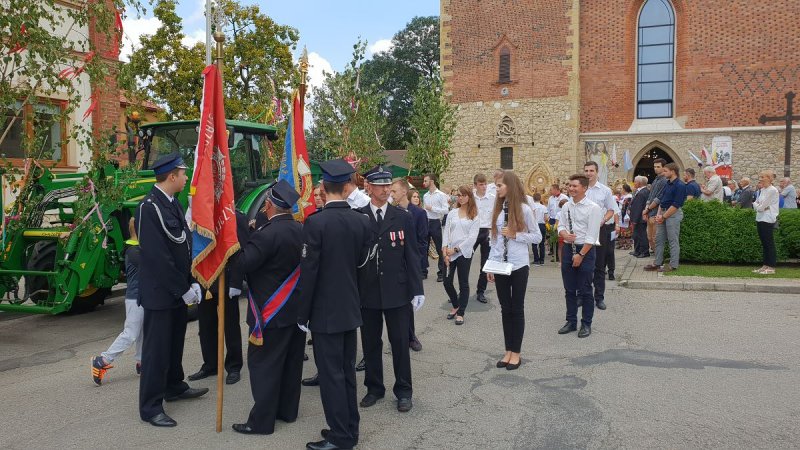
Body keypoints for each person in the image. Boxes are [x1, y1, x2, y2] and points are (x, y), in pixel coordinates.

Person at [297, 159, 372, 450]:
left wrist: (303, 314)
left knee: (331, 377)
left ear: (324, 188)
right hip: (350, 308)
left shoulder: (316, 223)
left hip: (325, 313)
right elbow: (364, 267)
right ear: (346, 186)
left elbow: (309, 273)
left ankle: (340, 436)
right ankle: (349, 430)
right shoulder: (361, 220)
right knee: (347, 373)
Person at [136, 153, 207, 428]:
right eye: (183, 173)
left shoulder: (173, 203)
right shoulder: (149, 208)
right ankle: (151, 407)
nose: (186, 177)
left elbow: (183, 246)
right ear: (172, 176)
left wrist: (192, 281)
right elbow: (158, 258)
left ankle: (174, 386)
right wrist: (182, 289)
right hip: (160, 294)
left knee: (174, 344)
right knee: (156, 351)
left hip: (176, 290)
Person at [232, 180, 305, 435]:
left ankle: (261, 422)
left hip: (270, 313)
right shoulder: (301, 229)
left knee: (264, 366)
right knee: (291, 364)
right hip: (295, 311)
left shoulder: (266, 234)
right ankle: (287, 411)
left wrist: (236, 239)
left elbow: (243, 264)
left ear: (270, 205)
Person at [358, 166, 424, 414]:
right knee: (370, 343)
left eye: (388, 185)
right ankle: (374, 387)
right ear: (369, 187)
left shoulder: (402, 217)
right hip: (368, 291)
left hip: (397, 290)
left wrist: (417, 289)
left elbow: (412, 255)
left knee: (399, 342)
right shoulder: (359, 217)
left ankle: (404, 391)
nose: (386, 189)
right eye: (380, 185)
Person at [485, 171, 541, 370]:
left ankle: (516, 352)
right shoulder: (499, 210)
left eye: (500, 185)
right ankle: (508, 350)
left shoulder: (525, 209)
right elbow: (494, 241)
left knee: (516, 308)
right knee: (505, 308)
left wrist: (516, 235)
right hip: (500, 265)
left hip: (518, 265)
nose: (497, 189)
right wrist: (490, 264)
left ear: (510, 186)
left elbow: (537, 237)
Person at [187, 211, 247, 386]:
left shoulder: (235, 217)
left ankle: (234, 366)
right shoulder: (200, 218)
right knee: (206, 325)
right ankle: (210, 364)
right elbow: (193, 251)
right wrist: (193, 281)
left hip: (227, 279)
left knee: (230, 325)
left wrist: (236, 281)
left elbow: (241, 251)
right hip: (205, 279)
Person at [91, 219, 143, 385]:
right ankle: (102, 360)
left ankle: (142, 362)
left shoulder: (136, 248)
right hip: (136, 298)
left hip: (141, 296)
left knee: (143, 331)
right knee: (131, 334)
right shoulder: (134, 251)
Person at [557, 174, 603, 339]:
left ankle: (586, 323)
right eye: (570, 186)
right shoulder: (566, 206)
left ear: (584, 188)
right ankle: (571, 321)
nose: (571, 188)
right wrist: (564, 234)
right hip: (568, 248)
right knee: (569, 288)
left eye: (575, 186)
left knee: (585, 289)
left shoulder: (593, 208)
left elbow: (592, 235)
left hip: (586, 250)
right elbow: (561, 225)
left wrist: (581, 254)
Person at [391, 179, 427, 352]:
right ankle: (399, 337)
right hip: (396, 266)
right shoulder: (392, 212)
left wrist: (416, 264)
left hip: (410, 264)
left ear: (404, 192)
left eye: (394, 191)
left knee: (409, 303)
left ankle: (411, 336)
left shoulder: (418, 213)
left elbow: (422, 240)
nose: (391, 194)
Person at [583, 161, 619, 311]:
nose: (588, 173)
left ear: (597, 172)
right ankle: (583, 296)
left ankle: (599, 298)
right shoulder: (580, 189)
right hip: (582, 230)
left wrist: (603, 220)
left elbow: (611, 209)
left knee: (599, 265)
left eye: (591, 171)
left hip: (599, 230)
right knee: (583, 265)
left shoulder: (605, 190)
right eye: (586, 171)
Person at [442, 185, 480, 325]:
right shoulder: (452, 213)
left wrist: (456, 249)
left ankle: (461, 313)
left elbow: (472, 238)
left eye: (464, 195)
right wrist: (445, 250)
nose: (461, 198)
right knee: (447, 282)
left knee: (463, 283)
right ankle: (456, 304)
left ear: (469, 197)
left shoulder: (474, 215)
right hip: (449, 252)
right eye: (459, 195)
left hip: (464, 253)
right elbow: (446, 232)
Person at [644, 163, 687, 273]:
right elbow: (661, 200)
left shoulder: (680, 185)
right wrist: (659, 215)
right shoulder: (667, 183)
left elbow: (676, 205)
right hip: (663, 213)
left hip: (673, 214)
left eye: (665, 171)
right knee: (659, 240)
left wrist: (663, 216)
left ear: (673, 171)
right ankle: (657, 263)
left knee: (673, 241)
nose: (663, 173)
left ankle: (673, 265)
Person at [422, 174, 450, 282]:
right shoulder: (425, 196)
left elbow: (446, 210)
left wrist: (432, 208)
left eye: (426, 181)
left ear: (432, 181)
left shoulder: (441, 195)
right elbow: (425, 209)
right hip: (425, 222)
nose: (424, 183)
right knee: (424, 247)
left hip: (436, 222)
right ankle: (423, 271)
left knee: (439, 248)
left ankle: (441, 272)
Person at [472, 173, 495, 303]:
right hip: (473, 231)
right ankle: (462, 290)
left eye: (485, 184)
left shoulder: (492, 198)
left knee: (485, 264)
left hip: (487, 231)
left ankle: (481, 291)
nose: (484, 187)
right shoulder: (471, 198)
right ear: (475, 185)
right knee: (465, 260)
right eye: (481, 184)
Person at [753, 170, 780, 274]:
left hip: (768, 218)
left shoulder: (772, 190)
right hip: (760, 217)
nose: (760, 179)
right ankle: (765, 265)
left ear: (769, 178)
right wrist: (758, 206)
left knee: (769, 243)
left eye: (762, 177)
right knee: (764, 243)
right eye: (760, 177)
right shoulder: (763, 190)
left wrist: (758, 206)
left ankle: (771, 267)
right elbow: (756, 203)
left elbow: (761, 207)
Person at [643, 158, 667, 256]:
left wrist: (648, 209)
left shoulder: (664, 180)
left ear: (664, 167)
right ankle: (657, 257)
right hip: (650, 212)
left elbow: (658, 198)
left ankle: (659, 259)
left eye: (658, 167)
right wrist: (646, 208)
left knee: (655, 238)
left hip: (657, 213)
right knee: (649, 237)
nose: (655, 168)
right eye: (654, 167)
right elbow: (650, 196)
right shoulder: (656, 180)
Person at [628, 176, 651, 258]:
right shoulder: (643, 191)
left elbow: (638, 207)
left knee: (642, 235)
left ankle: (644, 252)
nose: (634, 183)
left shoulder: (642, 193)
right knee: (636, 235)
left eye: (635, 181)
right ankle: (637, 250)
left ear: (639, 183)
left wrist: (634, 219)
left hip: (639, 218)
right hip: (639, 217)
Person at [529, 193, 548, 266]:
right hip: (542, 225)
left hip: (534, 225)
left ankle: (536, 260)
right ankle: (542, 260)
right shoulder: (543, 207)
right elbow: (546, 218)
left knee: (534, 243)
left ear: (533, 199)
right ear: (540, 199)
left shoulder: (531, 207)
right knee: (542, 243)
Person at [615, 184, 633, 254]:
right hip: (621, 215)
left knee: (626, 230)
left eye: (621, 189)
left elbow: (626, 206)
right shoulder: (623, 197)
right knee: (621, 229)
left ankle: (627, 244)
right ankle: (621, 243)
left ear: (625, 189)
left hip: (625, 215)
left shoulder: (629, 197)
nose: (620, 190)